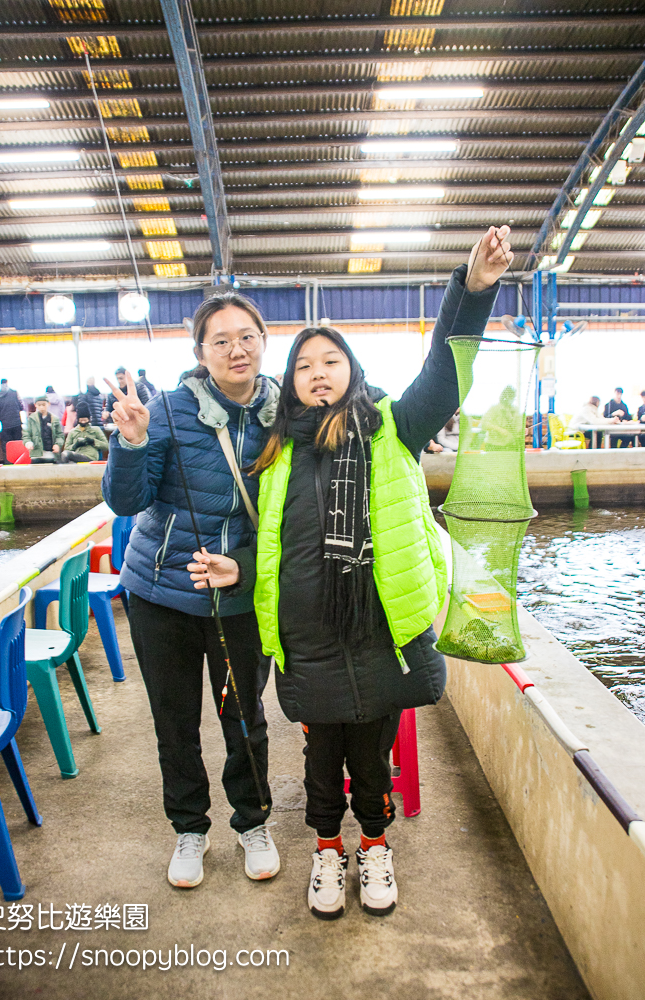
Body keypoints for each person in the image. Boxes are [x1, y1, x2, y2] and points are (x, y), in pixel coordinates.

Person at [189, 225, 511, 920]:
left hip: (378, 632)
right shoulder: (276, 452)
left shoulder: (393, 426)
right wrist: (234, 570)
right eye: (305, 365)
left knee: (370, 756)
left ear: (350, 373)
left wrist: (473, 290)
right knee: (318, 759)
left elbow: (446, 372)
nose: (317, 373)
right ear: (293, 381)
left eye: (330, 360)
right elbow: (270, 549)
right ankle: (327, 853)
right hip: (306, 640)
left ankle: (374, 845)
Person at [101, 292, 281, 890]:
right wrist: (129, 443)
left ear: (263, 340)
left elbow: (293, 516)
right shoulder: (168, 410)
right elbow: (127, 502)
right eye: (221, 339)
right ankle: (189, 829)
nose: (236, 348)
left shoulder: (288, 415)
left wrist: (246, 570)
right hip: (161, 595)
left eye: (246, 336)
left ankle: (252, 822)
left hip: (239, 600)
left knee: (243, 716)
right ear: (200, 351)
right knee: (173, 720)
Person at [23, 395, 64, 463]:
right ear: (35, 405)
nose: (41, 407)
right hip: (36, 454)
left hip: (51, 454)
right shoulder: (31, 419)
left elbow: (60, 435)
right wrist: (28, 443)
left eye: (44, 404)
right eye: (39, 405)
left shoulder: (54, 419)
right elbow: (26, 435)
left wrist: (58, 444)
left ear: (48, 404)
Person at [0, 379, 23, 461]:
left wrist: (1, 418)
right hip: (16, 423)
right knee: (18, 445)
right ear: (7, 383)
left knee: (6, 446)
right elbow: (21, 406)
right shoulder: (15, 393)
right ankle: (19, 462)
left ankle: (8, 463)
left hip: (4, 425)